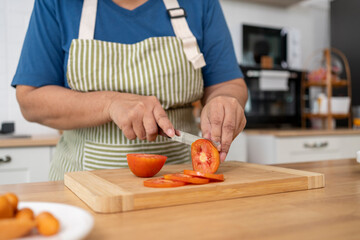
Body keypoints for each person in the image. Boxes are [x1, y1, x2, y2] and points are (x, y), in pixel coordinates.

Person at [12, 0, 247, 180]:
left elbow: (228, 84)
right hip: (82, 182)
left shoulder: (201, 3)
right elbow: (30, 99)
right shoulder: (58, 3)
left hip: (183, 181)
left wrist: (225, 100)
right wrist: (109, 103)